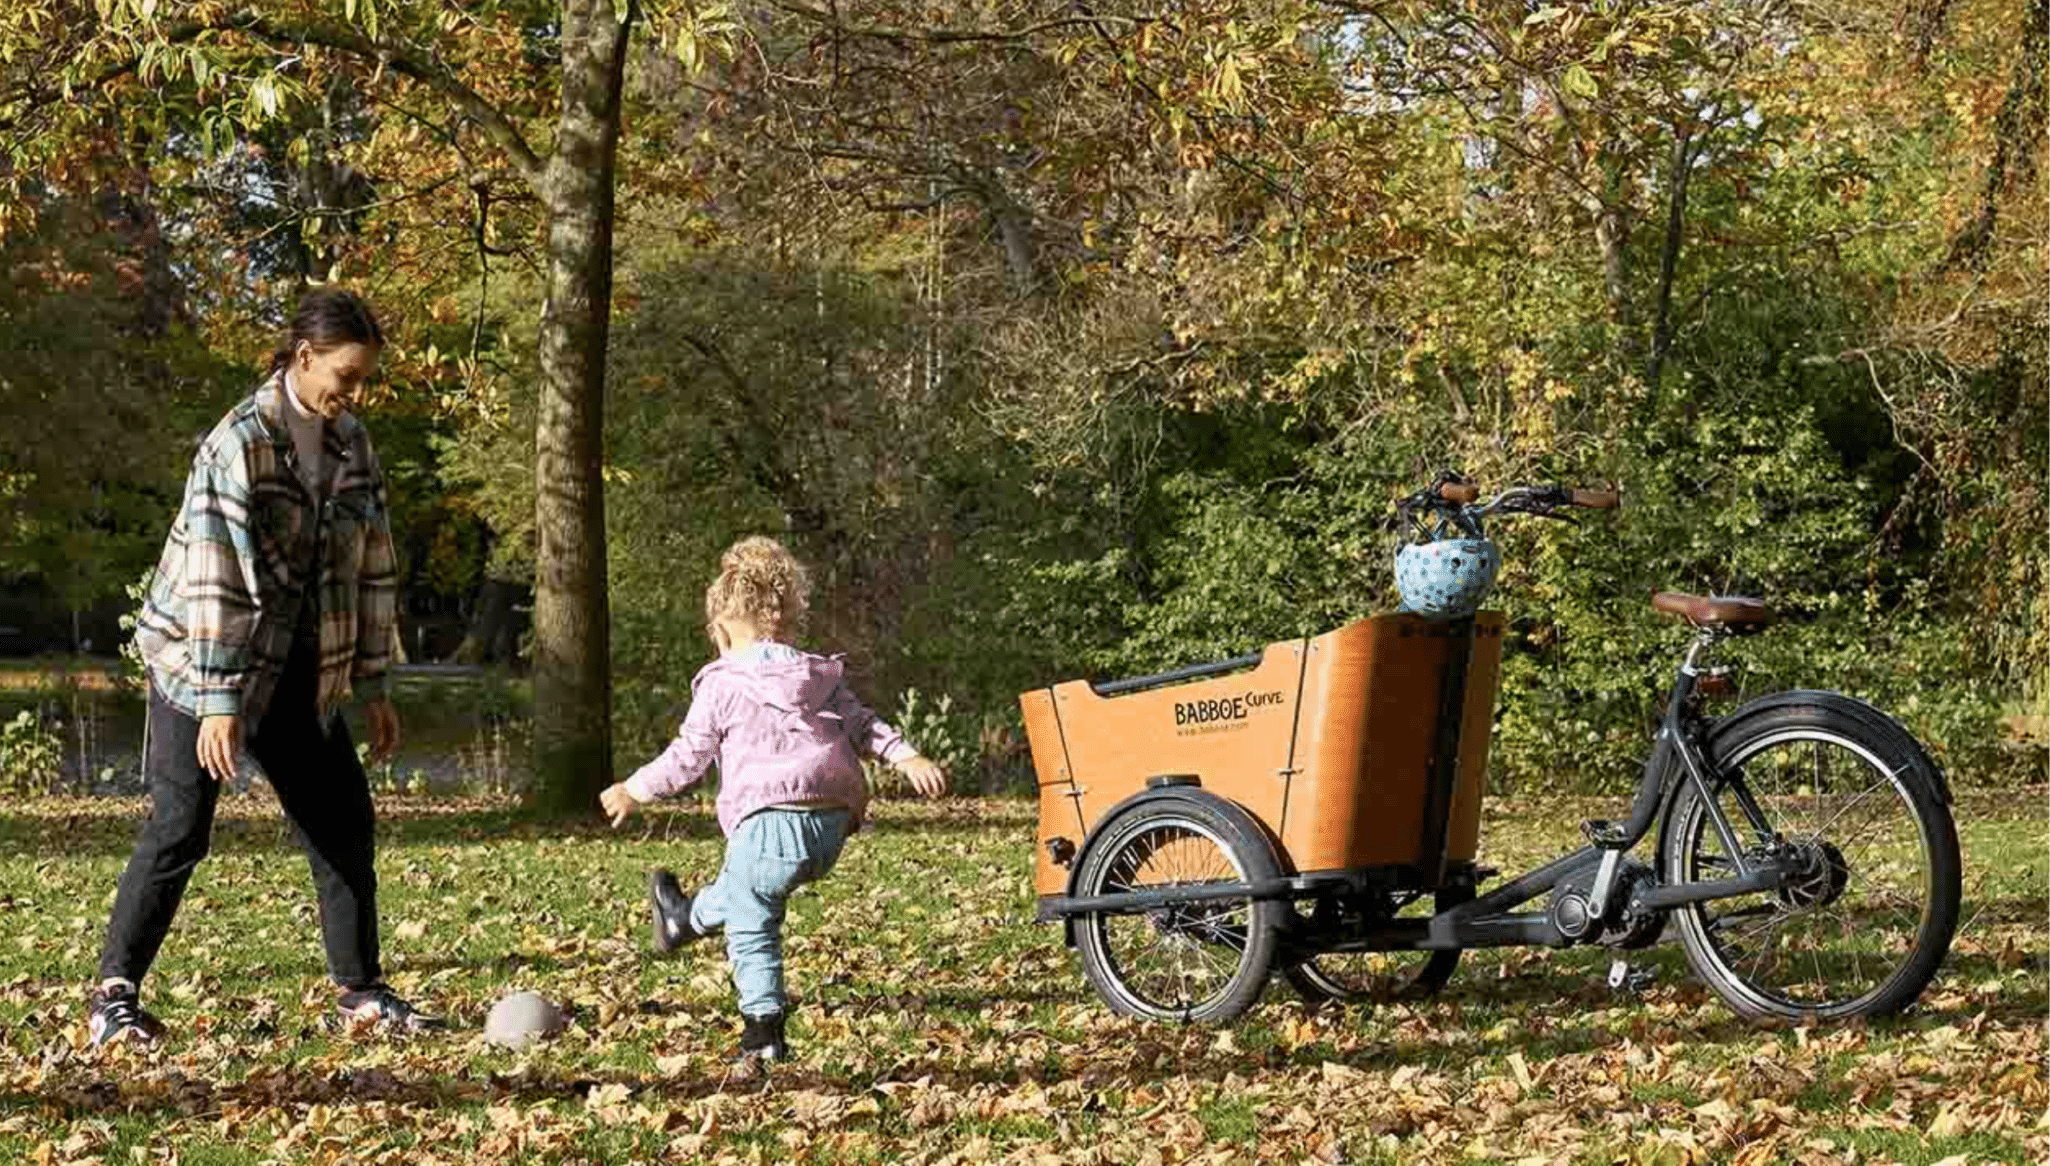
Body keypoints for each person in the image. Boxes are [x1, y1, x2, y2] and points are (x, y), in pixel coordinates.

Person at [87, 288, 437, 1046]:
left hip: (300, 664)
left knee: (342, 821)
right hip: (199, 659)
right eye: (345, 375)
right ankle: (113, 997)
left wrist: (374, 682)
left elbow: (373, 565)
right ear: (303, 358)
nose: (354, 393)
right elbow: (216, 579)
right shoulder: (236, 443)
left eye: (363, 380)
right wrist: (219, 700)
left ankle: (361, 991)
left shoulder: (354, 444)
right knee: (181, 827)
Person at [599, 536, 947, 1065]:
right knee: (746, 888)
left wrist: (634, 789)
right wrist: (906, 757)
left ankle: (763, 1032)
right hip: (831, 823)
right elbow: (861, 724)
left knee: (751, 920)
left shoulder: (722, 683)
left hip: (768, 819)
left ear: (721, 629)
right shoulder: (816, 673)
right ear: (785, 620)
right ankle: (682, 919)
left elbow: (687, 756)